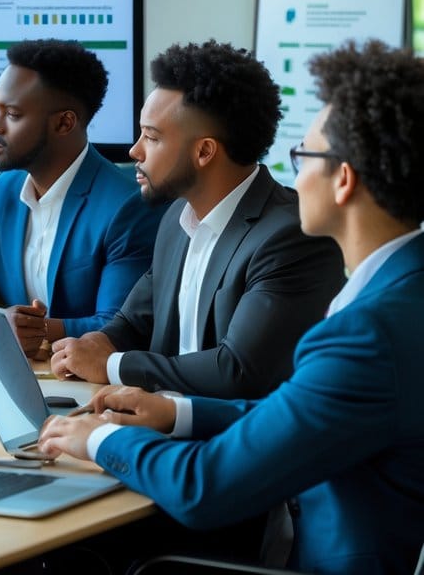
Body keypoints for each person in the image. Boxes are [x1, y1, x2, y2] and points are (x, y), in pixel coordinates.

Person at [39, 40, 424, 575]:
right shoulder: (404, 291)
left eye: (304, 157)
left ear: (343, 179)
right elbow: (299, 413)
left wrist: (101, 438)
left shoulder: (368, 333)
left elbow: (206, 487)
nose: (295, 175)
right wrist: (177, 412)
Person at [51, 40, 345, 398]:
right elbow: (133, 321)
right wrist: (94, 344)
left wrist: (111, 365)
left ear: (204, 151)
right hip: (160, 419)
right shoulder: (177, 215)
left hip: (227, 441)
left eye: (151, 137)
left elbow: (239, 370)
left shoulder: (292, 236)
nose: (134, 151)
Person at [0, 40, 165, 353]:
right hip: (24, 375)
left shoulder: (127, 206)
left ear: (64, 123)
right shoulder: (3, 192)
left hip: (93, 386)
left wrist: (38, 329)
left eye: (12, 114)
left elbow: (119, 325)